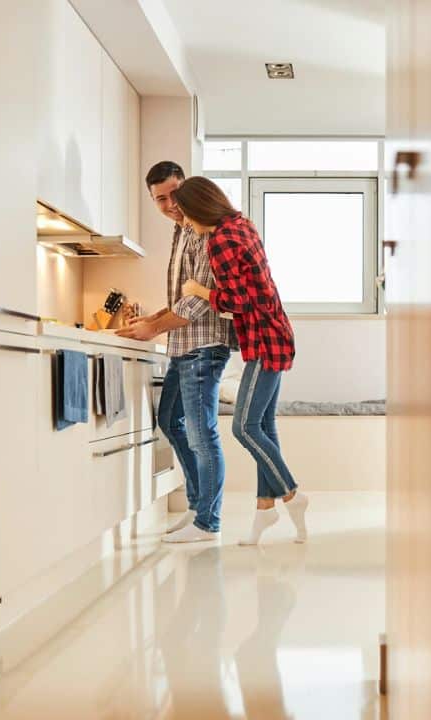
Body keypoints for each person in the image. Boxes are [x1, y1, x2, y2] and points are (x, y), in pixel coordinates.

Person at [174, 176, 308, 546]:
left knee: (243, 427)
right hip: (273, 334)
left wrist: (197, 289)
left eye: (185, 214)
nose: (185, 222)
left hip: (265, 340)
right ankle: (266, 508)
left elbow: (238, 301)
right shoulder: (241, 225)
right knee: (264, 424)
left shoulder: (220, 239)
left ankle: (293, 494)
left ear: (198, 208)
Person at [118, 163, 235, 543]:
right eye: (161, 199)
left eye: (174, 194)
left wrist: (152, 327)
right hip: (184, 346)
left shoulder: (203, 230)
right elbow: (181, 298)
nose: (170, 204)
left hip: (203, 345)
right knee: (170, 420)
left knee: (203, 434)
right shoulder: (181, 231)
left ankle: (208, 522)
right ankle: (198, 507)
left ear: (188, 188)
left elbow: (199, 300)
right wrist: (151, 319)